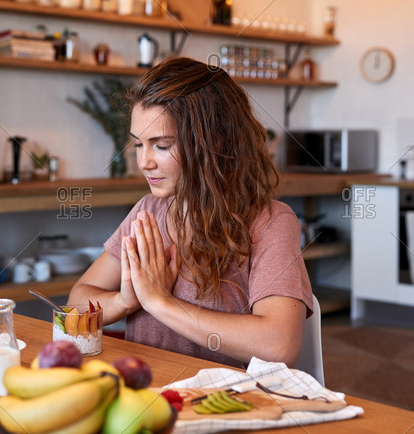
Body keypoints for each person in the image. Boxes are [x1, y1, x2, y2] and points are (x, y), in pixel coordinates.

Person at [67, 57, 313, 369]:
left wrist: (159, 302)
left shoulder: (271, 222)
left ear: (212, 141)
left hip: (227, 402)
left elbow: (280, 345)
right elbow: (77, 300)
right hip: (144, 394)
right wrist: (125, 301)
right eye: (138, 145)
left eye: (162, 145)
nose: (144, 162)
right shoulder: (147, 212)